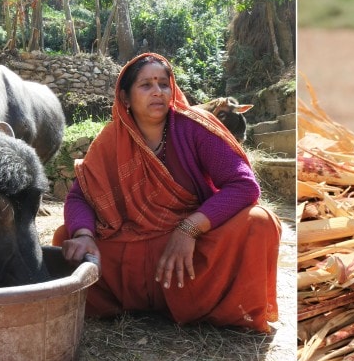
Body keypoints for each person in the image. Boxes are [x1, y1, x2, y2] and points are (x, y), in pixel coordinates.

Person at [55, 52, 281, 333]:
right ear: (125, 97)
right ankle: (133, 303)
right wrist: (84, 235)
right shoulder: (111, 140)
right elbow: (80, 196)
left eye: (163, 83)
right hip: (132, 247)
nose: (158, 92)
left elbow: (244, 185)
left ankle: (208, 307)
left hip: (190, 251)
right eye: (146, 85)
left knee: (259, 222)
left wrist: (188, 229)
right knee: (67, 237)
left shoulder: (194, 127)